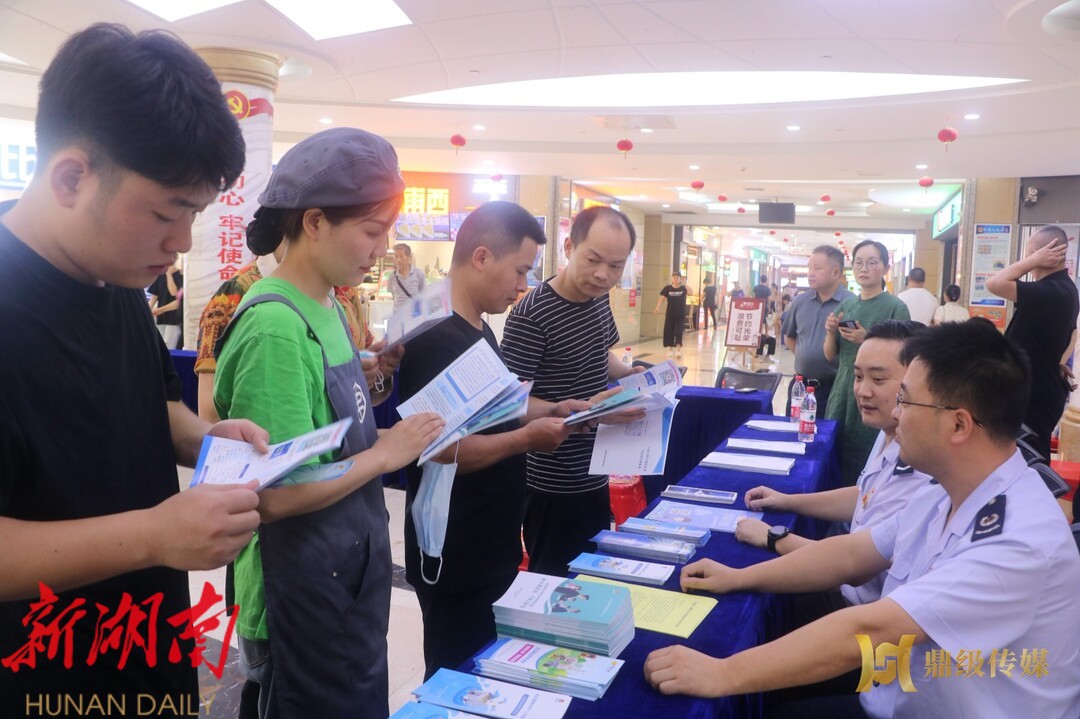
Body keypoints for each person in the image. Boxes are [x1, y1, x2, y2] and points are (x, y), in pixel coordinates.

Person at [0, 24, 265, 716]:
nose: (182, 243)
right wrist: (155, 534)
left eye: (195, 214)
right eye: (167, 212)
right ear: (71, 178)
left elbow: (150, 405)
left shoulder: (114, 275)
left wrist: (208, 440)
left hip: (149, 648)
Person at [644, 320, 1080, 719]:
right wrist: (739, 577)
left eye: (905, 399)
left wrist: (722, 674)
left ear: (959, 425)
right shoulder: (945, 490)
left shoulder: (1017, 540)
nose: (895, 413)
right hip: (894, 693)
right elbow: (852, 554)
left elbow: (874, 629)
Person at [213, 127, 444, 719]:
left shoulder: (328, 304)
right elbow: (278, 493)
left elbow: (333, 429)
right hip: (296, 595)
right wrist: (386, 454)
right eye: (371, 231)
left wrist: (376, 381)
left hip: (344, 573)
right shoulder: (274, 327)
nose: (381, 248)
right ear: (314, 222)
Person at [398, 201, 575, 679]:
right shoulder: (433, 337)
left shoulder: (475, 327)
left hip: (488, 544)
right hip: (456, 555)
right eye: (519, 271)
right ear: (481, 257)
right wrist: (525, 440)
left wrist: (552, 409)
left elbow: (495, 408)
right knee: (455, 679)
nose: (523, 285)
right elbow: (437, 448)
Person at [736, 321, 931, 610]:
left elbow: (851, 565)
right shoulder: (889, 431)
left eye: (878, 379)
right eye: (858, 376)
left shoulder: (920, 463)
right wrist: (786, 500)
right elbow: (865, 495)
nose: (863, 391)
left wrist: (772, 537)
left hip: (857, 607)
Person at [501, 206, 645, 576]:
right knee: (554, 580)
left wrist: (630, 374)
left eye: (615, 266)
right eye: (593, 260)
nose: (603, 274)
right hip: (550, 480)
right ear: (569, 247)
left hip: (596, 469)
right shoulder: (531, 314)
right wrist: (574, 411)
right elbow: (507, 401)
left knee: (590, 576)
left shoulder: (598, 298)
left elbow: (600, 352)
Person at [194, 247, 377, 422]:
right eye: (369, 232)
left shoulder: (344, 293)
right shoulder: (237, 295)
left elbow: (360, 365)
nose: (379, 251)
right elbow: (212, 414)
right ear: (312, 228)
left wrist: (372, 370)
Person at [988, 225, 1079, 460]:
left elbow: (994, 283)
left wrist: (1033, 260)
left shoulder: (1052, 291)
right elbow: (1072, 333)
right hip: (1039, 388)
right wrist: (1056, 361)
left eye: (1029, 253)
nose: (1026, 259)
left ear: (1044, 253)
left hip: (1034, 394)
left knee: (1030, 460)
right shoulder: (1063, 289)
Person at [824, 240, 910, 485]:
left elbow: (904, 356)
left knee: (868, 447)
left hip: (879, 387)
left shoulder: (896, 307)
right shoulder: (847, 305)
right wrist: (830, 331)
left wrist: (866, 338)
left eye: (872, 263)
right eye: (858, 263)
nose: (864, 269)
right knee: (836, 445)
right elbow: (830, 354)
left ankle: (865, 496)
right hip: (844, 386)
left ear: (885, 268)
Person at [781, 246, 854, 417]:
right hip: (800, 386)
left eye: (817, 268)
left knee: (827, 431)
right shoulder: (800, 301)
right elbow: (789, 337)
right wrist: (808, 357)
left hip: (834, 388)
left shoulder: (851, 304)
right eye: (809, 268)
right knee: (793, 429)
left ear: (835, 273)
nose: (810, 274)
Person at [148, 257, 184, 348]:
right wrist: (148, 311)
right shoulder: (159, 277)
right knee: (159, 343)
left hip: (173, 317)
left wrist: (168, 274)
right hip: (160, 316)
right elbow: (154, 296)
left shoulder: (180, 276)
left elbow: (173, 293)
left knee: (169, 345)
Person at [655, 272, 688, 358]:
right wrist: (657, 307)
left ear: (680, 279)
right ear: (671, 279)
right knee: (669, 331)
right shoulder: (668, 288)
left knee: (678, 331)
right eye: (674, 277)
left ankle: (678, 350)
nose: (675, 279)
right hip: (670, 314)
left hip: (680, 314)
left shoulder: (683, 288)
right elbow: (662, 298)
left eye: (677, 277)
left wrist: (685, 284)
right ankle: (670, 349)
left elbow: (691, 292)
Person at [390, 241, 426, 310]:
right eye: (396, 256)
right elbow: (394, 297)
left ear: (409, 257)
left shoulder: (419, 274)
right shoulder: (392, 276)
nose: (398, 260)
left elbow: (423, 295)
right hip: (398, 315)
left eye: (401, 256)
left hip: (413, 315)